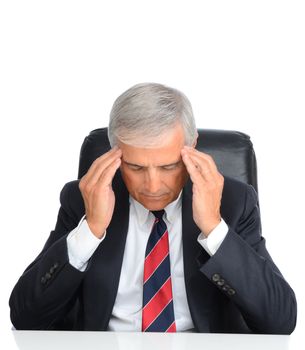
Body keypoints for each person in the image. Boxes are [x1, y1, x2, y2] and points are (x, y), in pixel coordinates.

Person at [9, 83, 296, 333]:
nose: (153, 185)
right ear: (114, 155)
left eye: (168, 166)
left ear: (192, 147)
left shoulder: (234, 202)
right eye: (135, 167)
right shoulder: (82, 199)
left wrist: (213, 227)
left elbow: (280, 321)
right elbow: (25, 317)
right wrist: (90, 229)